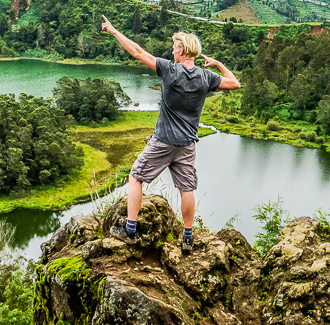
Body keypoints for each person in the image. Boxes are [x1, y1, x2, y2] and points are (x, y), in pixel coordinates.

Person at [100, 15, 240, 252]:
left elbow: (137, 52)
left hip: (163, 140)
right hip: (187, 144)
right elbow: (235, 83)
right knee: (187, 188)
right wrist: (217, 64)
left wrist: (114, 32)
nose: (172, 52)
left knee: (136, 176)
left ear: (183, 51)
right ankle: (187, 237)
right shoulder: (206, 77)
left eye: (175, 48)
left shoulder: (169, 70)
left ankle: (130, 230)